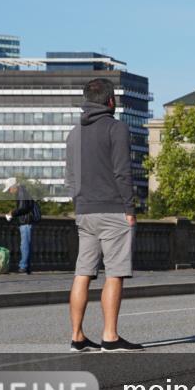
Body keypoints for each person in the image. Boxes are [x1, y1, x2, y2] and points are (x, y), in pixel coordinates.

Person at [64, 77, 143, 352]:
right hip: (112, 211)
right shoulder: (116, 128)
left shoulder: (74, 132)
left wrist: (79, 203)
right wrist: (129, 210)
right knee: (114, 274)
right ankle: (110, 337)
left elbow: (70, 177)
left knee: (82, 273)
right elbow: (123, 173)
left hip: (84, 211)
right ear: (111, 101)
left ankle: (77, 337)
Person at [3, 177, 36, 274]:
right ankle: (27, 267)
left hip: (25, 222)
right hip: (28, 222)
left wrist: (12, 213)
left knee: (24, 245)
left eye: (9, 189)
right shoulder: (23, 191)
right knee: (27, 245)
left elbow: (22, 208)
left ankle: (23, 267)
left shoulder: (21, 192)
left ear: (13, 186)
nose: (9, 191)